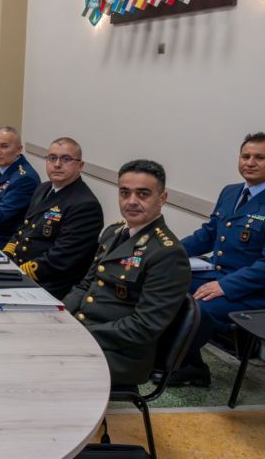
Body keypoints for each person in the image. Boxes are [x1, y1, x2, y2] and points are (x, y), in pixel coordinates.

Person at [171, 132, 265, 387]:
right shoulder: (231, 192)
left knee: (201, 308)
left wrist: (225, 286)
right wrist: (167, 253)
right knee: (165, 281)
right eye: (245, 156)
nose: (250, 162)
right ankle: (186, 361)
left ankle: (184, 367)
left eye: (259, 157)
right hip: (223, 274)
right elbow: (208, 234)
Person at [64, 159, 190, 386]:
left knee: (40, 364)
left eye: (143, 194)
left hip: (121, 354)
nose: (131, 201)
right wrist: (59, 317)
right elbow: (85, 286)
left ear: (162, 198)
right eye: (125, 193)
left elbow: (144, 327)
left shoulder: (167, 253)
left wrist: (81, 335)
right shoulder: (113, 233)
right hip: (85, 333)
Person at [2, 137, 104, 300]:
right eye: (52, 158)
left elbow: (60, 259)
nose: (57, 164)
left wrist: (17, 272)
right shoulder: (44, 188)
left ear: (80, 165)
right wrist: (5, 256)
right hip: (20, 270)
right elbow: (23, 229)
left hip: (48, 286)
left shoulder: (85, 205)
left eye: (66, 159)